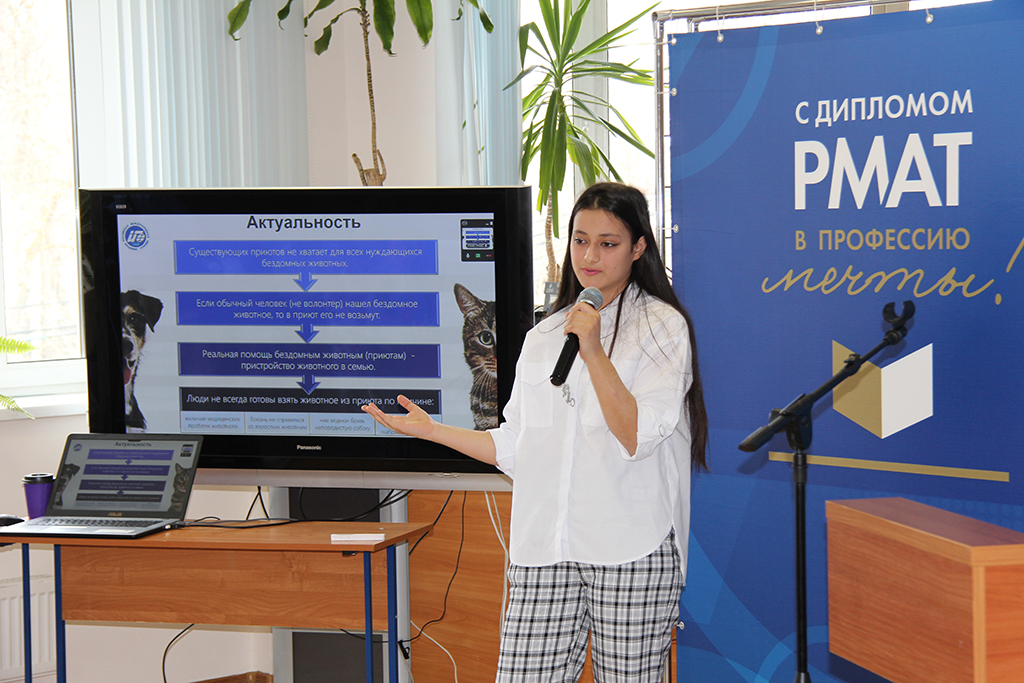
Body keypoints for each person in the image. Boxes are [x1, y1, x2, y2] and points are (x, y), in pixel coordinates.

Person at [362, 181, 709, 682]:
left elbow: (636, 436)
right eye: (580, 240)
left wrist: (593, 350)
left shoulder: (660, 326)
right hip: (543, 549)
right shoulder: (544, 335)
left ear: (638, 248)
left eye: (608, 243)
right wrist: (432, 430)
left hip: (630, 546)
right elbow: (515, 446)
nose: (589, 256)